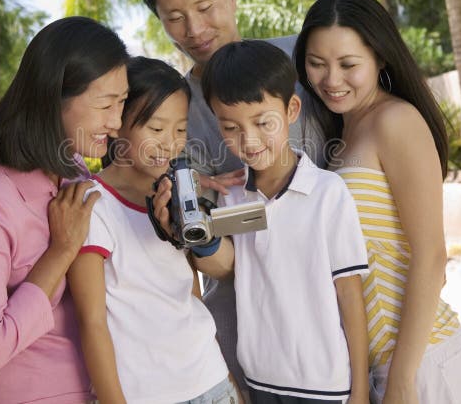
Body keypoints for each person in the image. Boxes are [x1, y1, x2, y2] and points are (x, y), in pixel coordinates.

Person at [138, 0, 324, 391]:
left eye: (205, 8)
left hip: (333, 303)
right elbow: (215, 260)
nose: (194, 30)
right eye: (174, 18)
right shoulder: (171, 117)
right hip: (247, 331)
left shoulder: (307, 61)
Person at [152, 41, 370, 404]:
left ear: (292, 110)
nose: (249, 140)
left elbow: (350, 295)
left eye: (263, 122)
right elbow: (227, 268)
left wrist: (360, 390)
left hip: (326, 385)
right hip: (259, 379)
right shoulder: (232, 196)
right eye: (230, 127)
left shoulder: (328, 193)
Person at [293, 0, 461, 404]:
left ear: (380, 58)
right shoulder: (342, 134)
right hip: (379, 368)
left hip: (420, 363)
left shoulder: (396, 120)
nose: (331, 80)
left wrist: (400, 381)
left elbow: (431, 256)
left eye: (348, 64)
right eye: (316, 64)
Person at [0, 16, 130, 403]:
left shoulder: (70, 167)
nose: (116, 122)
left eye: (122, 102)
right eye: (105, 105)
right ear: (52, 98)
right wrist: (60, 251)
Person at [67, 56, 235, 403]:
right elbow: (92, 322)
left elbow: (191, 297)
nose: (170, 143)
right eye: (156, 129)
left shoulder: (174, 196)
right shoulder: (93, 205)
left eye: (180, 129)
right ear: (118, 124)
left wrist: (228, 379)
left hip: (211, 381)